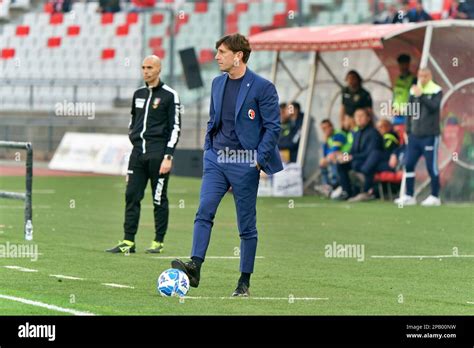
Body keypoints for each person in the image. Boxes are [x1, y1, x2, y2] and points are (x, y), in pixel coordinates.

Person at [171, 34, 283, 297]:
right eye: (217, 51)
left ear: (238, 56)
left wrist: (258, 159)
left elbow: (273, 127)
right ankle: (195, 266)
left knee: (246, 225)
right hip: (217, 158)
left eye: (221, 52)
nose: (216, 56)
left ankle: (244, 282)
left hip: (246, 162)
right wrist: (208, 148)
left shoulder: (263, 87)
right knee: (204, 210)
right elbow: (214, 120)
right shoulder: (216, 83)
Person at [106, 55, 181, 254]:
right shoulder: (138, 94)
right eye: (143, 67)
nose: (146, 71)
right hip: (138, 153)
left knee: (158, 198)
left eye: (150, 67)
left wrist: (168, 156)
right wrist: (133, 137)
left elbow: (175, 127)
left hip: (158, 154)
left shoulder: (169, 95)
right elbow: (133, 121)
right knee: (131, 195)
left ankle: (158, 241)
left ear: (158, 69)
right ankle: (128, 242)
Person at [395, 68, 442, 206]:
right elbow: (409, 112)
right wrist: (407, 130)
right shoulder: (413, 91)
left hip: (430, 136)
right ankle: (409, 196)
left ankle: (435, 196)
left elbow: (434, 107)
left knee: (431, 166)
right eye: (421, 75)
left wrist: (421, 95)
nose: (423, 78)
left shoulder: (436, 90)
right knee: (408, 164)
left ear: (430, 76)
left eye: (426, 75)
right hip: (414, 136)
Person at [337, 108, 384, 202]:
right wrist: (343, 156)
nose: (359, 118)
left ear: (368, 118)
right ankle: (346, 191)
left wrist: (352, 157)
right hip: (358, 159)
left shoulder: (373, 133)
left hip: (369, 161)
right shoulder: (357, 133)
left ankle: (365, 191)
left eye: (361, 116)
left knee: (357, 164)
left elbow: (371, 153)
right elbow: (352, 151)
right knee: (341, 163)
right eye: (356, 116)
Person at [316, 119, 348, 194]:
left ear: (331, 126)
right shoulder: (328, 137)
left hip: (346, 155)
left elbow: (335, 150)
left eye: (326, 127)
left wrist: (326, 158)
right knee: (324, 161)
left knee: (332, 158)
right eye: (323, 129)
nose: (325, 130)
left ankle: (335, 185)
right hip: (339, 155)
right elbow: (325, 154)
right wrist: (325, 142)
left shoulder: (338, 134)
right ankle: (326, 186)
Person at [392, 54, 417, 127]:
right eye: (401, 64)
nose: (403, 66)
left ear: (408, 64)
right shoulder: (398, 79)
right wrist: (392, 107)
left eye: (405, 64)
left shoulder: (414, 79)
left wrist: (405, 110)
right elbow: (395, 95)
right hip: (397, 114)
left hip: (407, 114)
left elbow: (415, 98)